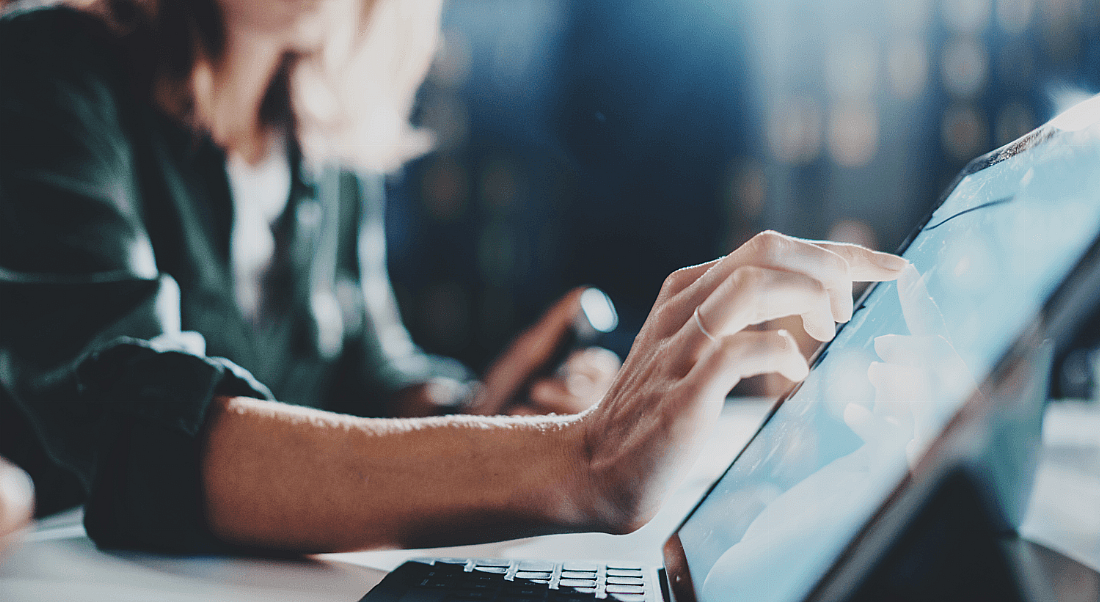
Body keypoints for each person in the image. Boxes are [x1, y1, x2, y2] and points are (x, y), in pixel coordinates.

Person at [0, 0, 908, 554]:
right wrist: (578, 459)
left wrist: (501, 411)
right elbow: (128, 427)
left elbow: (370, 373)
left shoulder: (323, 147)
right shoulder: (48, 69)